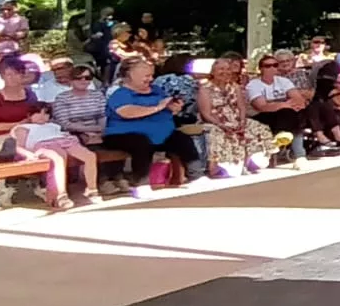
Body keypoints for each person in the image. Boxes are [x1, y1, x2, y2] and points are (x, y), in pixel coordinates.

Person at [103, 56, 206, 198]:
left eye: (151, 75)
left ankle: (196, 176)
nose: (150, 79)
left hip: (160, 133)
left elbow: (167, 108)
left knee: (181, 138)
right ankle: (141, 183)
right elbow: (127, 112)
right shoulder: (120, 94)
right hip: (124, 134)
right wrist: (158, 107)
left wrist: (173, 107)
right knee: (141, 143)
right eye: (146, 76)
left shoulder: (156, 90)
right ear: (131, 75)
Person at [201, 54, 275, 177]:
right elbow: (205, 113)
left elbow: (241, 107)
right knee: (216, 132)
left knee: (257, 126)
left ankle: (251, 160)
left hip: (235, 119)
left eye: (228, 69)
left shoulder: (235, 87)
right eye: (221, 69)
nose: (225, 72)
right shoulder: (205, 89)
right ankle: (218, 165)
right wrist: (221, 124)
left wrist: (242, 121)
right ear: (213, 71)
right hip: (215, 121)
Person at [246, 54, 309, 169]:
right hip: (263, 116)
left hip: (287, 114)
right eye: (268, 66)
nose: (272, 68)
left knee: (296, 114)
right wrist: (284, 104)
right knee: (290, 114)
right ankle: (299, 156)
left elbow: (298, 100)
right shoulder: (253, 85)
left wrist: (277, 104)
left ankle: (279, 141)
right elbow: (262, 106)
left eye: (275, 65)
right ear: (261, 69)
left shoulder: (283, 81)